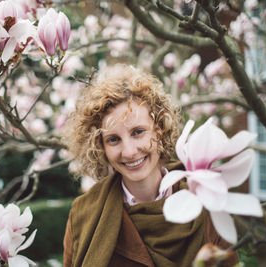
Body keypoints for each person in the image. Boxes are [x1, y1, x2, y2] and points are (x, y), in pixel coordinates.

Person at [62, 65, 238, 267]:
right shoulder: (83, 213)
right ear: (100, 147)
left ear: (159, 130)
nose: (129, 151)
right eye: (113, 140)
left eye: (138, 132)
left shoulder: (207, 202)